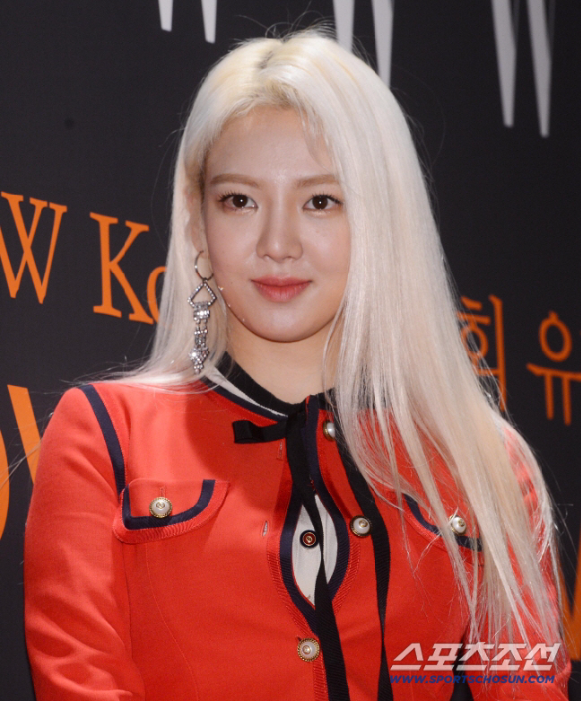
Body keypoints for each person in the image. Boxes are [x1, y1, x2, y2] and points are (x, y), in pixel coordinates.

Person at [24, 29, 569, 700]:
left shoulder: (484, 466)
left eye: (320, 201)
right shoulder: (104, 436)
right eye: (239, 201)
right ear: (196, 224)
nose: (277, 243)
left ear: (382, 223)